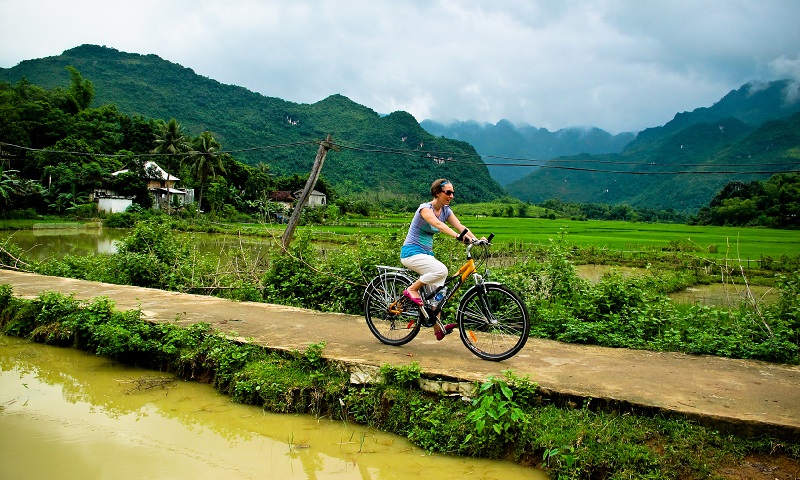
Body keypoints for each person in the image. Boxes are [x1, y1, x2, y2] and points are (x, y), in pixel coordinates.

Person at [400, 178, 483, 340]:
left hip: (426, 255)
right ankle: (412, 289)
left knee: (439, 291)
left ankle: (437, 327)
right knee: (441, 270)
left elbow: (460, 227)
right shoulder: (425, 209)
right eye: (448, 192)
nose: (451, 196)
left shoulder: (446, 211)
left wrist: (476, 240)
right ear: (437, 193)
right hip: (411, 253)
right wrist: (458, 237)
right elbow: (439, 225)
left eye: (453, 193)